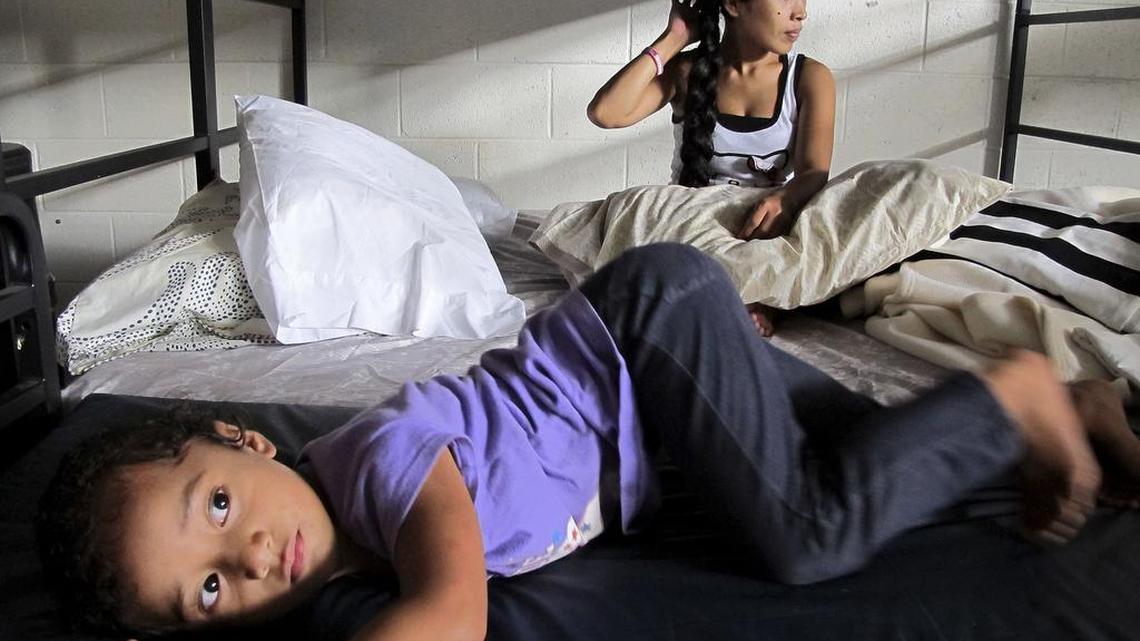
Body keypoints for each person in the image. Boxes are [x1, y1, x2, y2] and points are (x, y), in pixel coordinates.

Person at [37, 244, 1138, 641]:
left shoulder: (376, 463)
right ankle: (1083, 408)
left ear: (246, 439)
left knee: (811, 530)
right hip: (659, 418)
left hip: (646, 340)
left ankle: (1018, 390)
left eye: (218, 509)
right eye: (212, 593)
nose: (249, 557)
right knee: (872, 452)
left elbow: (452, 611)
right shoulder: (345, 545)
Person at [588, 0, 835, 335]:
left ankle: (743, 291)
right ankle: (746, 295)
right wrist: (674, 38)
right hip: (696, 225)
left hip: (765, 229)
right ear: (733, 4)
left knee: (870, 198)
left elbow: (814, 173)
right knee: (632, 207)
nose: (800, 12)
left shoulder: (809, 77)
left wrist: (785, 199)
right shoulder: (688, 71)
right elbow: (606, 113)